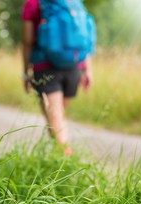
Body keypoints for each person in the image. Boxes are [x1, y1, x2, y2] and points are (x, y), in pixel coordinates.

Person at [22, 0, 93, 156]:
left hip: (45, 67)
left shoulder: (33, 4)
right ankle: (57, 160)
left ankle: (66, 165)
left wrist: (25, 71)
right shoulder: (73, 2)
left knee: (56, 122)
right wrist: (88, 70)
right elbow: (82, 35)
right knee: (57, 119)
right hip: (74, 67)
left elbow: (27, 41)